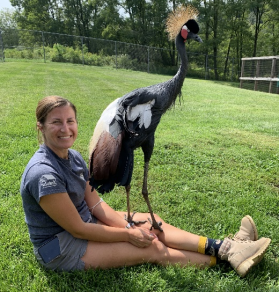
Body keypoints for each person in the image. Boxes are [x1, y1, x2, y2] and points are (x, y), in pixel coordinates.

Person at [20, 95, 271, 277]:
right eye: (56, 122)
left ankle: (228, 248)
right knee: (153, 248)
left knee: (153, 224)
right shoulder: (44, 174)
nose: (66, 129)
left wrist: (129, 225)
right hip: (61, 248)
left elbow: (94, 203)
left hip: (86, 224)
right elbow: (78, 229)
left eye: (70, 120)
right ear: (41, 127)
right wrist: (128, 234)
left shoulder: (72, 157)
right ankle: (231, 257)